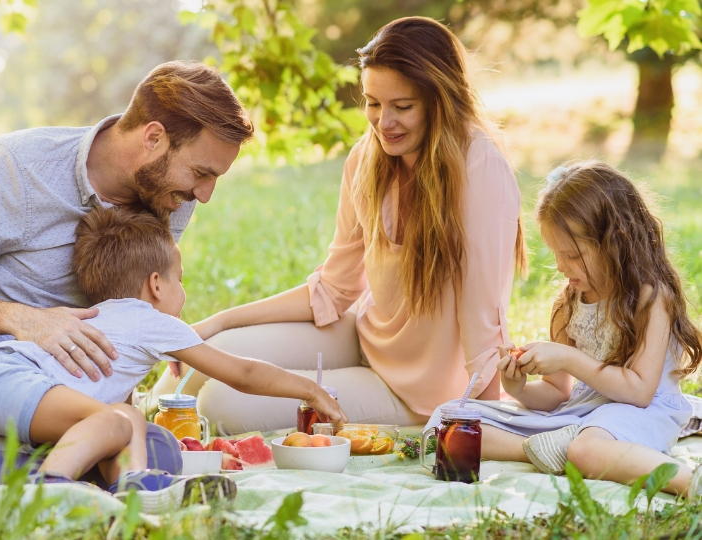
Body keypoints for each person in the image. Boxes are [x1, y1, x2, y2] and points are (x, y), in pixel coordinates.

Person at [0, 60, 254, 502]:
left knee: (154, 450)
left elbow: (124, 317)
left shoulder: (168, 196)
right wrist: (23, 319)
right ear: (153, 138)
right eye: (202, 173)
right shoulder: (15, 166)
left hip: (36, 397)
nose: (204, 195)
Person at [151, 16, 527, 433]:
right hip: (364, 338)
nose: (384, 123)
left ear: (440, 101)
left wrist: (482, 424)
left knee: (222, 405)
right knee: (212, 352)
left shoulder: (479, 166)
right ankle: (135, 412)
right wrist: (220, 321)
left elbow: (483, 316)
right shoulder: (367, 159)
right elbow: (333, 288)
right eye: (373, 103)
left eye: (402, 106)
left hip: (420, 390)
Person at [0, 207, 347, 512]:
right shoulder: (148, 319)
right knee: (113, 421)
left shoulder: (110, 317)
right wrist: (309, 389)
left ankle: (134, 490)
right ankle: (51, 494)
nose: (183, 293)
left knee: (127, 418)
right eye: (180, 280)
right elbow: (242, 373)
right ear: (155, 284)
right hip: (10, 381)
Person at [432, 161, 702, 495]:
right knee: (447, 420)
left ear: (615, 242)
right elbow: (557, 393)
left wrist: (567, 359)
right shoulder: (569, 304)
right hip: (582, 414)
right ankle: (544, 447)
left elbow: (639, 391)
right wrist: (517, 388)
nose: (560, 266)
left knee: (587, 451)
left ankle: (691, 483)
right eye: (556, 253)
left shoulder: (650, 297)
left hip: (643, 413)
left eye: (572, 254)